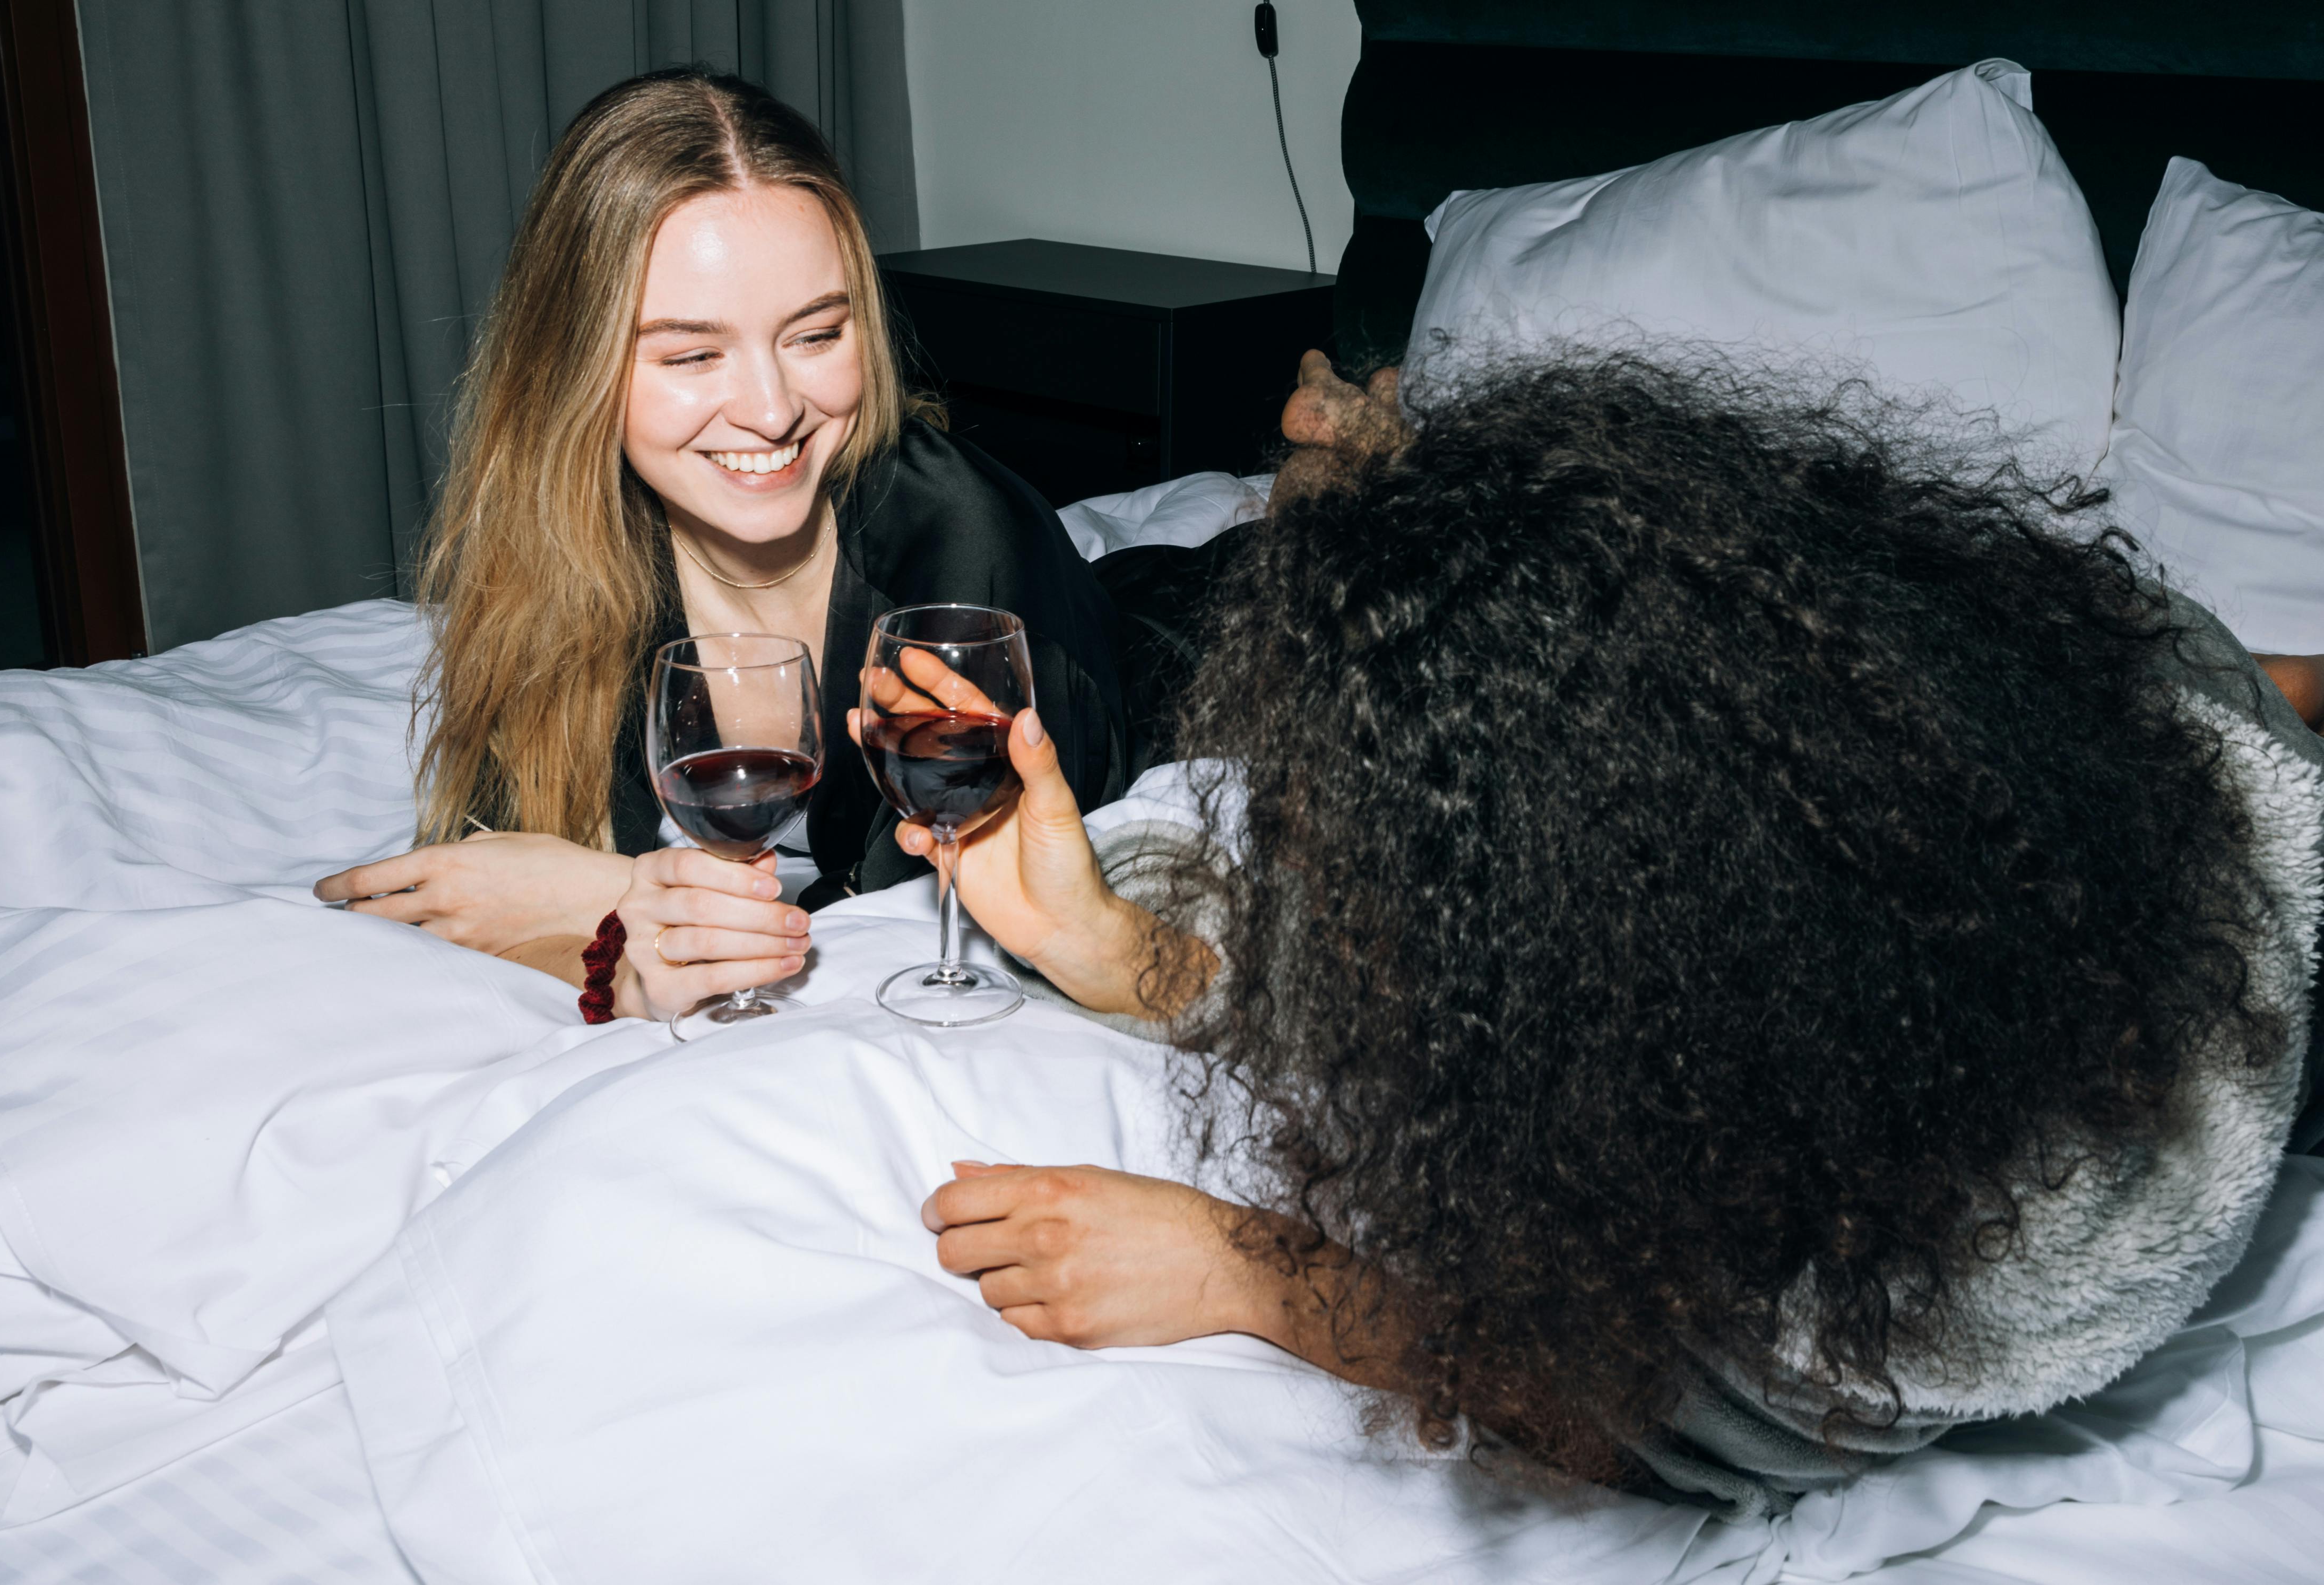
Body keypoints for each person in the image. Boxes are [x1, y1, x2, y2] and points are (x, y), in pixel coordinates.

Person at [898, 350, 2324, 1513]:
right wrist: (1115, 942)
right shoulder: (1788, 754)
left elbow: (1678, 1414)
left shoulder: (2025, 1212)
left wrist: (1248, 1266)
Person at [313, 68, 1125, 1019]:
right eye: (694, 356)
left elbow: (893, 921)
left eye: (816, 335)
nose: (774, 410)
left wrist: (595, 898)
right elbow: (474, 893)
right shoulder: (565, 541)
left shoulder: (963, 544)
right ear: (576, 369)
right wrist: (609, 956)